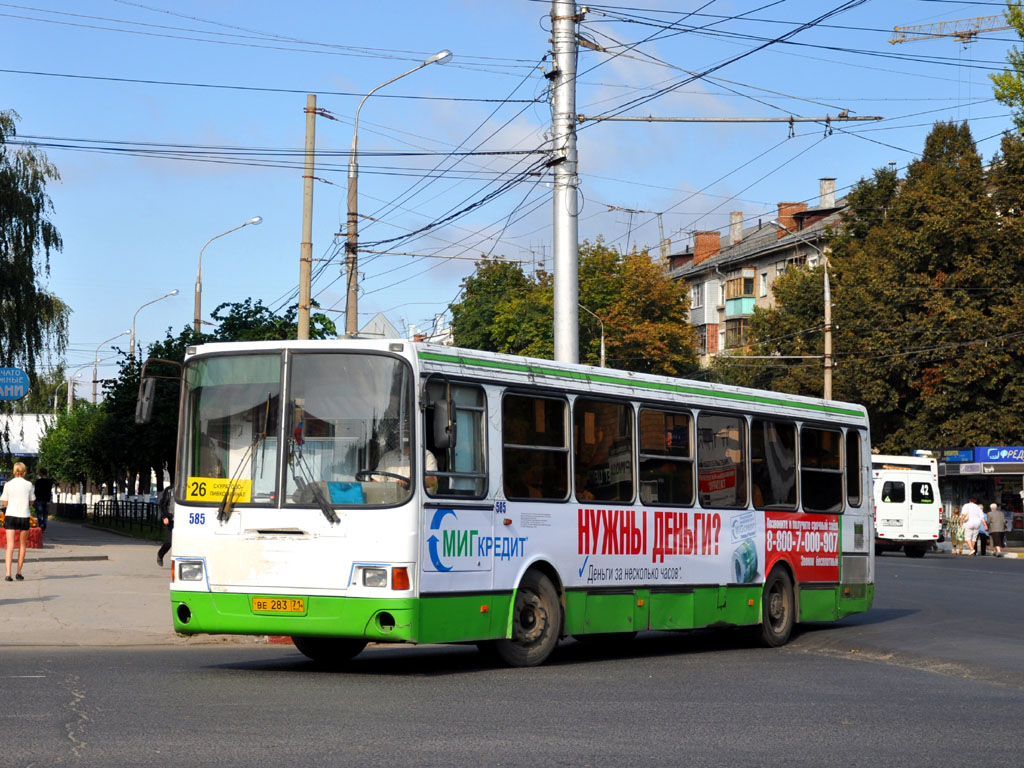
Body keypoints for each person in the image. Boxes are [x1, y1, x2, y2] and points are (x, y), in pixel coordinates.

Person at [1, 462, 35, 581]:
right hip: (24, 516)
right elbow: (31, 501)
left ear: (14, 471)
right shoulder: (29, 484)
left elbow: (4, 502)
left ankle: (8, 574)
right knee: (22, 545)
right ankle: (19, 572)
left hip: (10, 516)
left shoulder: (8, 484)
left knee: (10, 545)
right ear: (24, 472)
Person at [156, 486, 173, 567]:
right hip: (171, 519)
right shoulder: (169, 490)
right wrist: (165, 516)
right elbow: (162, 504)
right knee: (169, 542)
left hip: (183, 520)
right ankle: (160, 554)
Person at [33, 467, 54, 532]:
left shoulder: (38, 481)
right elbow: (49, 491)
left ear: (41, 473)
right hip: (47, 500)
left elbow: (35, 491)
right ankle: (44, 526)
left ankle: (41, 524)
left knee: (39, 514)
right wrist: (49, 500)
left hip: (39, 500)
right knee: (45, 514)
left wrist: (35, 499)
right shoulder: (50, 481)